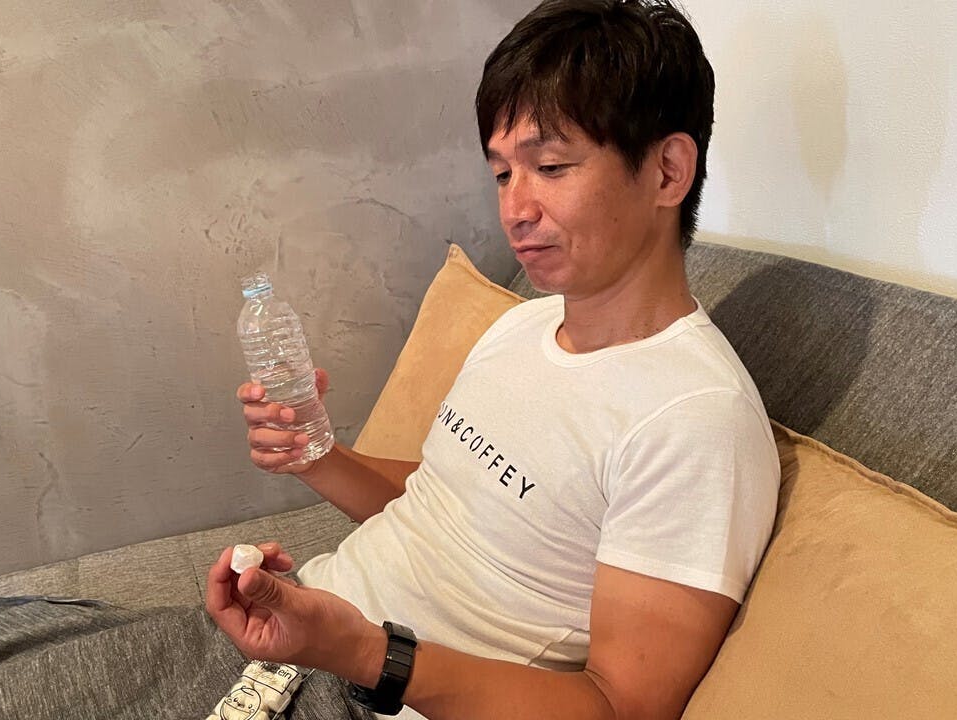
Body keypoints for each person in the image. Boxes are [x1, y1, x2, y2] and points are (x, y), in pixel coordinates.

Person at [210, 1, 780, 719]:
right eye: (504, 173)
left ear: (668, 171)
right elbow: (445, 504)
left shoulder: (697, 422)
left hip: (352, 692)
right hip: (287, 637)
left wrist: (362, 652)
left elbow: (620, 707)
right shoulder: (523, 323)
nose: (515, 208)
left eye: (551, 166)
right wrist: (316, 455)